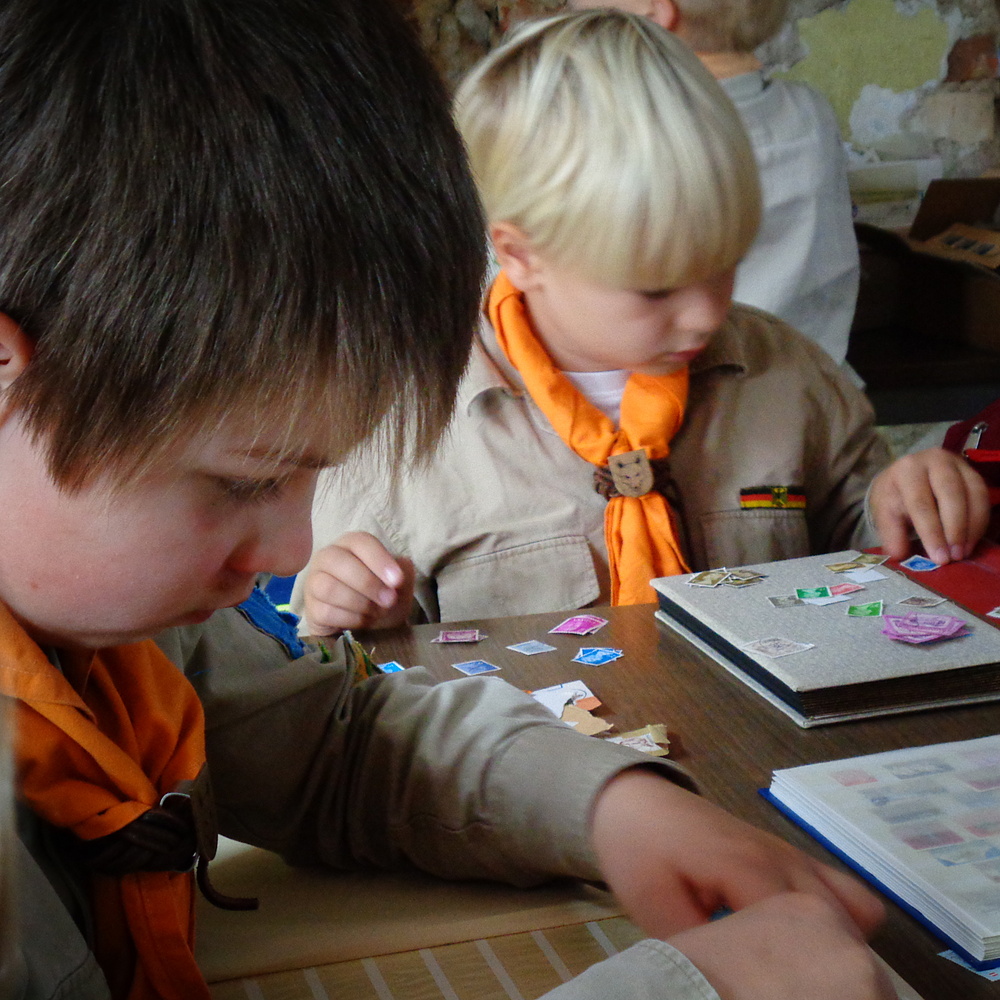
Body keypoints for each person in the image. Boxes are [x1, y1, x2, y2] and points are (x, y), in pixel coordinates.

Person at [0, 2, 896, 1000]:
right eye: (242, 481)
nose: (294, 543)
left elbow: (334, 749)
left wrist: (608, 804)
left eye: (307, 477)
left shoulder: (119, 631)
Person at [297, 10, 988, 634]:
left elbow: (867, 543)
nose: (705, 313)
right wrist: (356, 611)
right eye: (655, 290)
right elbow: (350, 678)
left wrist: (907, 500)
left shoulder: (790, 375)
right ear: (520, 255)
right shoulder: (402, 427)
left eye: (724, 265)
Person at [568, 0, 860, 375]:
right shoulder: (810, 113)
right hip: (814, 381)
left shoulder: (628, 134)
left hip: (683, 395)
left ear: (654, 12)